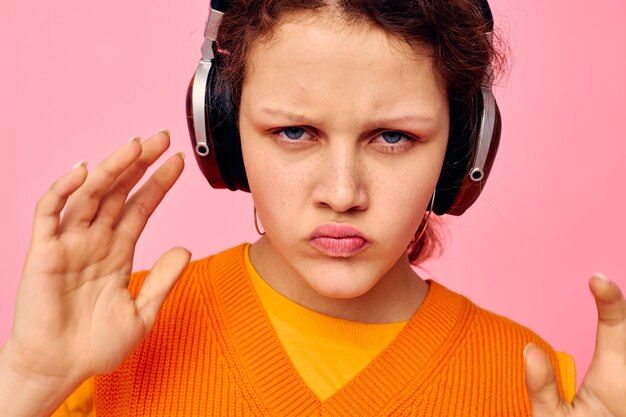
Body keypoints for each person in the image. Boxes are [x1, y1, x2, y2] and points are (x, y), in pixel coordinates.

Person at [0, 0, 624, 416]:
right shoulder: (100, 343)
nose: (343, 192)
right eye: (294, 132)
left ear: (463, 149)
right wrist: (27, 385)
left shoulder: (537, 384)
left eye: (393, 137)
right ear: (221, 131)